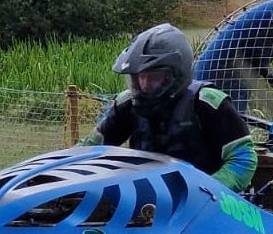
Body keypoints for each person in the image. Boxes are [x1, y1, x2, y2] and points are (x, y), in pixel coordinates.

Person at [82, 23, 257, 193]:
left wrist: (207, 192)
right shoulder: (126, 104)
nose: (144, 86)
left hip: (206, 206)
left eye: (153, 77)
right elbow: (87, 150)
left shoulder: (207, 103)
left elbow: (243, 158)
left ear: (176, 75)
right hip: (149, 201)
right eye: (139, 77)